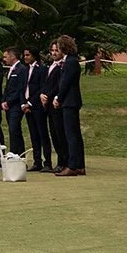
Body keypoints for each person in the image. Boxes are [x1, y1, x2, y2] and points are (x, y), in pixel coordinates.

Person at [50, 35, 86, 176]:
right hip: (70, 101)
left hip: (70, 101)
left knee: (71, 134)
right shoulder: (70, 61)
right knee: (74, 134)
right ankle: (79, 165)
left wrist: (58, 97)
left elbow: (65, 82)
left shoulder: (70, 62)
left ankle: (73, 165)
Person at [19, 48, 53, 171]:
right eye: (24, 55)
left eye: (28, 55)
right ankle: (37, 161)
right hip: (27, 107)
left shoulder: (42, 69)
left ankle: (47, 162)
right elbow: (22, 87)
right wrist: (23, 103)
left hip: (37, 106)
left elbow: (41, 87)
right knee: (33, 134)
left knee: (42, 133)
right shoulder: (24, 70)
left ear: (34, 55)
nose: (25, 57)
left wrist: (30, 103)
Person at [0, 48, 27, 165]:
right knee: (13, 129)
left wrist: (9, 101)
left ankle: (16, 154)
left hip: (17, 104)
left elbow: (20, 89)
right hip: (9, 104)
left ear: (13, 56)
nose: (4, 59)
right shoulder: (11, 69)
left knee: (14, 129)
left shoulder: (21, 69)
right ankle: (18, 154)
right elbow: (8, 88)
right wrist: (3, 100)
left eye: (5, 57)